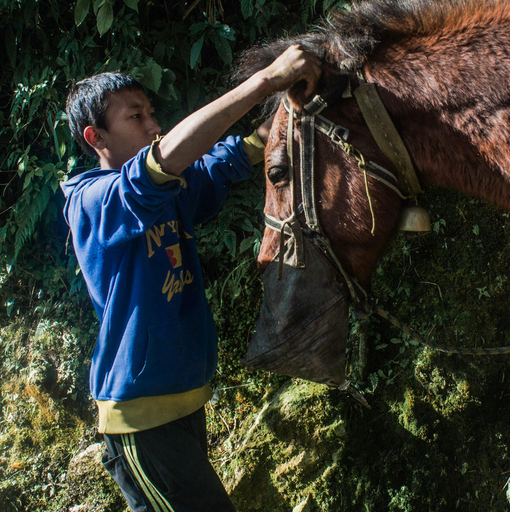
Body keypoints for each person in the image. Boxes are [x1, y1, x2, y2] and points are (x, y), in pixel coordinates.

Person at [61, 45, 321, 511]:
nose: (152, 124)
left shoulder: (171, 191)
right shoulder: (94, 201)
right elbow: (160, 164)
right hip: (140, 415)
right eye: (135, 116)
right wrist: (264, 81)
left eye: (152, 113)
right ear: (95, 136)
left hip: (183, 398)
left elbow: (230, 158)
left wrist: (289, 107)